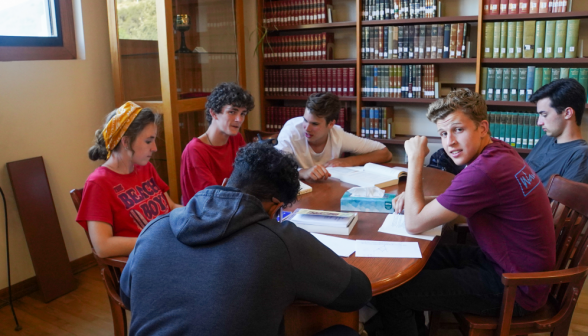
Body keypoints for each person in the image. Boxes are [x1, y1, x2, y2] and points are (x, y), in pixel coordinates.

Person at [120, 142, 372, 335]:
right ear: (276, 208)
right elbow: (357, 294)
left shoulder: (155, 228)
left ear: (225, 182)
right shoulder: (280, 242)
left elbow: (128, 296)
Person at [374, 89, 555, 336]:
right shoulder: (499, 151)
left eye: (458, 130)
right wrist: (421, 200)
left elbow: (414, 224)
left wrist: (414, 161)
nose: (449, 142)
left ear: (482, 128)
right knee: (412, 263)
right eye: (443, 133)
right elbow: (461, 203)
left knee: (393, 292)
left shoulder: (484, 171)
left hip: (516, 287)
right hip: (506, 264)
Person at [76, 102, 181, 258]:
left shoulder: (146, 168)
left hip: (169, 249)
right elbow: (102, 246)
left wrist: (197, 213)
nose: (154, 148)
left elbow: (170, 207)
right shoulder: (98, 183)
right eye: (148, 141)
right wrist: (156, 241)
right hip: (144, 260)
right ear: (125, 142)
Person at [275, 92, 392, 181]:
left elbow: (385, 153)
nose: (306, 127)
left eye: (314, 124)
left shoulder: (337, 135)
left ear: (331, 124)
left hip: (326, 192)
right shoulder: (291, 132)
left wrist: (349, 161)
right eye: (305, 120)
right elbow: (274, 169)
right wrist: (302, 172)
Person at [180, 82, 254, 204]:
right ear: (214, 113)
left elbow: (250, 177)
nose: (239, 119)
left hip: (234, 207)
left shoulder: (236, 138)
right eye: (232, 112)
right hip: (207, 216)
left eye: (243, 113)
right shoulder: (195, 150)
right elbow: (212, 200)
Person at [526, 78, 588, 186]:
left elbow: (562, 202)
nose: (539, 122)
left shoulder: (581, 155)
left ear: (568, 113)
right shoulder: (545, 139)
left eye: (544, 115)